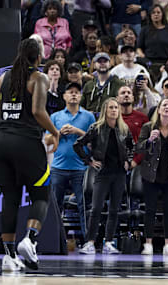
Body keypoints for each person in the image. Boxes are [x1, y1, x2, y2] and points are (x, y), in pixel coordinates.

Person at [0, 38, 61, 271]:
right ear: (38, 57)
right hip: (27, 143)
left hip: (1, 142)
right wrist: (54, 131)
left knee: (10, 199)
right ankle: (29, 240)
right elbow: (38, 111)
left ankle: (8, 257)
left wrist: (12, 121)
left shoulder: (3, 78)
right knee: (41, 194)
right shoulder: (39, 78)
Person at [74, 98, 134, 254]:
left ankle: (108, 242)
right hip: (103, 172)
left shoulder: (124, 129)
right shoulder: (96, 128)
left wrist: (128, 160)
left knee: (114, 209)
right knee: (96, 208)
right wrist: (89, 161)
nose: (114, 110)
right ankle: (90, 242)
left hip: (119, 173)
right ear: (105, 110)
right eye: (111, 108)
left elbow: (131, 147)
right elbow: (78, 144)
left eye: (116, 107)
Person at [136, 97, 168, 256]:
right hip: (151, 174)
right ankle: (148, 243)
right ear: (158, 109)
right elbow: (138, 149)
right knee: (150, 210)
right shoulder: (148, 127)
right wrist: (149, 141)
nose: (167, 107)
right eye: (164, 105)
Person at [48, 82, 95, 243]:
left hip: (81, 167)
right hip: (58, 167)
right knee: (55, 207)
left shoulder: (89, 116)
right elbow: (47, 139)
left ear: (81, 96)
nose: (74, 94)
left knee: (83, 206)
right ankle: (54, 240)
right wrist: (58, 133)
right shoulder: (55, 117)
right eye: (70, 92)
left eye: (77, 92)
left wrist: (78, 132)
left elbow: (95, 139)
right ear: (64, 96)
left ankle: (87, 241)